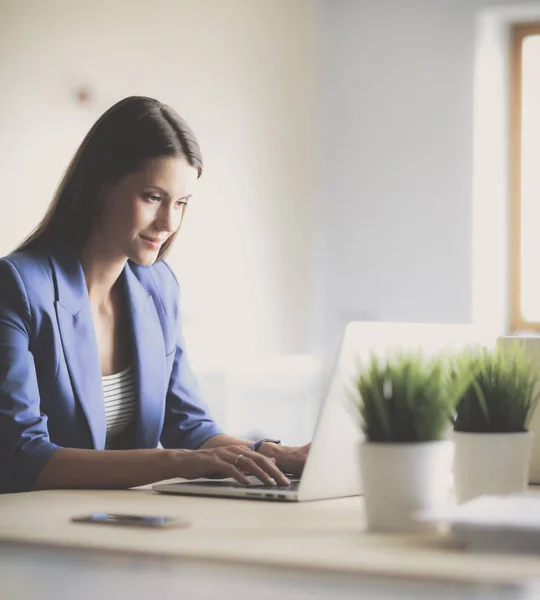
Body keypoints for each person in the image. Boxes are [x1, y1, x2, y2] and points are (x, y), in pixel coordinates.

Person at [0, 96, 309, 494]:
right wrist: (173, 462)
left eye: (180, 203)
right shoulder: (17, 286)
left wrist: (274, 454)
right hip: (31, 533)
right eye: (152, 197)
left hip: (124, 525)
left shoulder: (157, 287)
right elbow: (23, 454)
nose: (168, 222)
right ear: (101, 185)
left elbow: (190, 427)